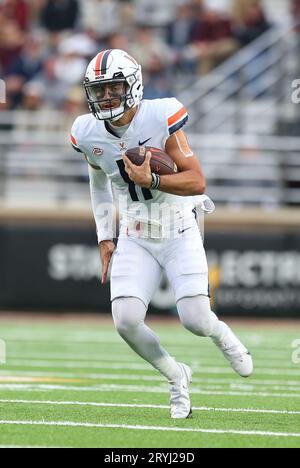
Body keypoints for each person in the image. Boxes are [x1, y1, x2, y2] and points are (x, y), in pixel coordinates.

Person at [71, 49, 253, 419]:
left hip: (178, 227)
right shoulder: (86, 131)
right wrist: (105, 236)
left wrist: (153, 179)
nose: (106, 97)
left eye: (114, 88)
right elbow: (99, 184)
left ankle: (223, 336)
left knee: (195, 319)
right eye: (100, 90)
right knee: (125, 320)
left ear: (133, 85)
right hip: (134, 232)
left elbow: (197, 180)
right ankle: (176, 376)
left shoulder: (160, 114)